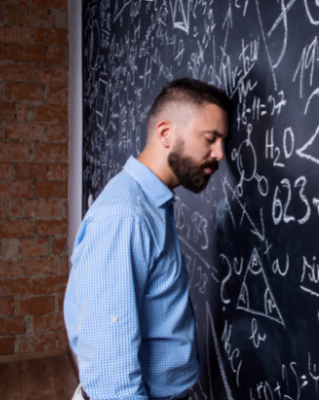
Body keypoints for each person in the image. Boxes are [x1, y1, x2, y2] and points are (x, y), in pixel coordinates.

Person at [64, 77, 231, 400]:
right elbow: (109, 366)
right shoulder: (126, 218)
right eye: (210, 138)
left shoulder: (149, 203)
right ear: (166, 133)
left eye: (222, 141)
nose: (220, 154)